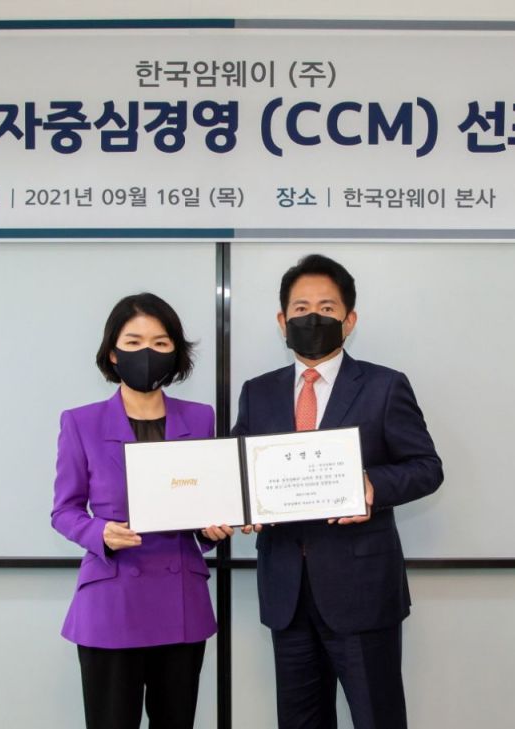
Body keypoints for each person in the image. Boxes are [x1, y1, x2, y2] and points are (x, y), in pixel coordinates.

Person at [232, 254, 443, 729]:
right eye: (301, 308)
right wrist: (238, 503)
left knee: (377, 717)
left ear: (349, 320)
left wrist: (372, 485)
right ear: (282, 321)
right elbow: (237, 471)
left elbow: (427, 468)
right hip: (286, 591)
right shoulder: (257, 392)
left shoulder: (384, 386)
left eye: (326, 308)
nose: (313, 318)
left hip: (362, 589)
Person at [51, 292, 230, 729]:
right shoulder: (80, 422)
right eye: (133, 342)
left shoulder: (201, 418)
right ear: (113, 353)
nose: (147, 352)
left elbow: (204, 500)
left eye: (160, 343)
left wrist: (210, 529)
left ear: (176, 353)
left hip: (180, 599)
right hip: (111, 600)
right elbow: (64, 510)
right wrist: (99, 533)